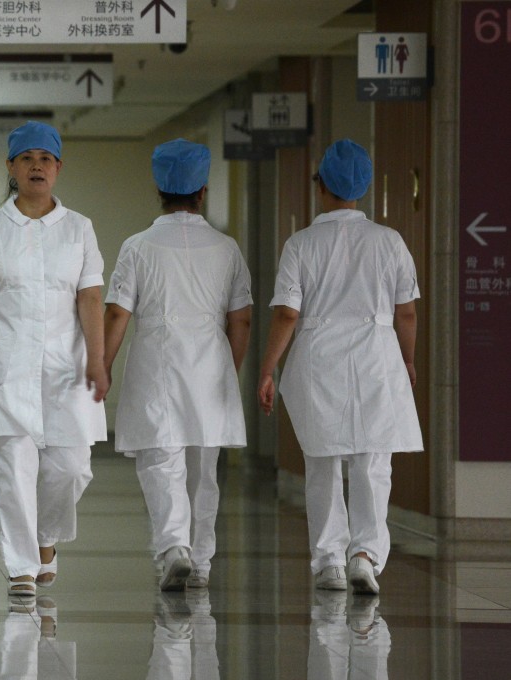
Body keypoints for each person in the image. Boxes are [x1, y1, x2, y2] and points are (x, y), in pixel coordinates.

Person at [257, 138, 422, 595]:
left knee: (323, 461)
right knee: (373, 460)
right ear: (364, 188)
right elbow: (406, 312)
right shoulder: (390, 242)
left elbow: (287, 313)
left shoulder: (301, 244)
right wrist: (406, 359)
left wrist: (268, 368)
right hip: (376, 355)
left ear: (320, 186)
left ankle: (329, 560)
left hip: (318, 358)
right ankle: (365, 556)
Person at [0, 121, 108, 598]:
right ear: (11, 167)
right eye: (27, 159)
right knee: (13, 467)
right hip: (6, 365)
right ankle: (21, 565)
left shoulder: (79, 228)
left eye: (46, 159)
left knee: (71, 466)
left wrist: (99, 358)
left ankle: (46, 538)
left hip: (68, 366)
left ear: (58, 168)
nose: (37, 166)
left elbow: (89, 297)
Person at [103, 139, 252, 591]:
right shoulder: (227, 249)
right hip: (211, 362)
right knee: (204, 467)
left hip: (157, 357)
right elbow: (241, 318)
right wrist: (231, 369)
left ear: (158, 187)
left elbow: (117, 313)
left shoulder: (138, 246)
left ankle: (174, 547)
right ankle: (201, 561)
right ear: (203, 190)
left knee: (160, 458)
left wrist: (102, 365)